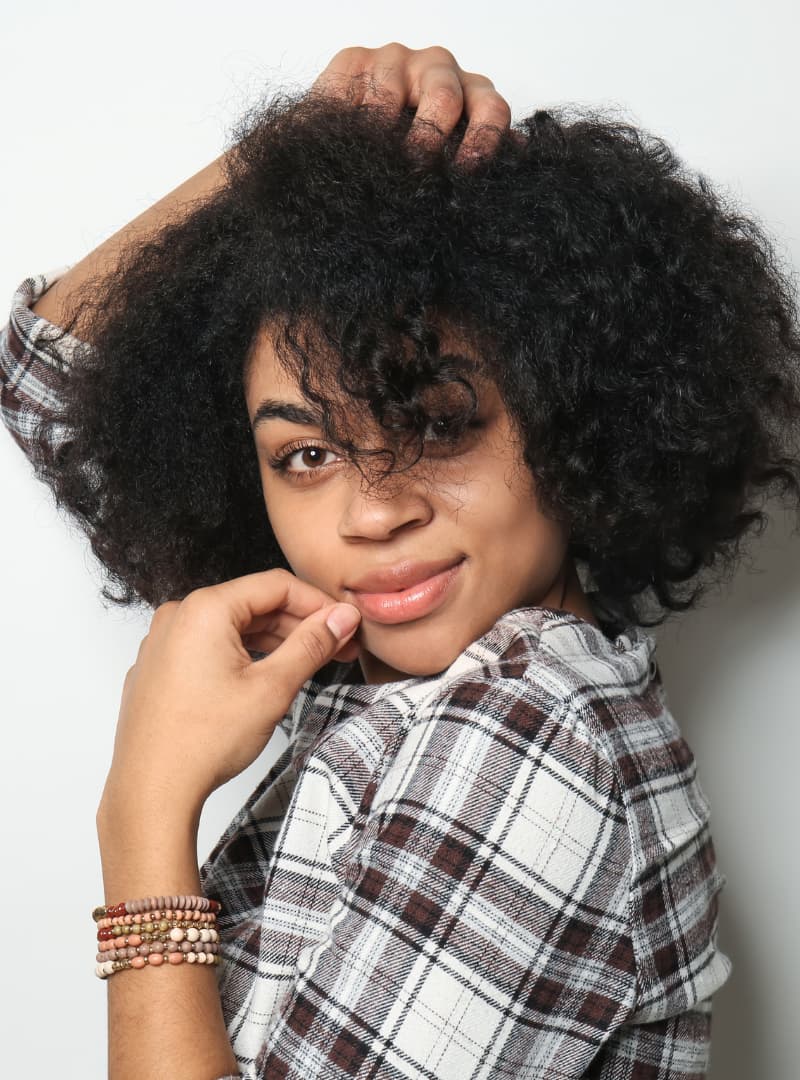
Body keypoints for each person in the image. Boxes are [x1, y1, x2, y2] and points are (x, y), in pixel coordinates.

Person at [2, 40, 798, 1079]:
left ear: (578, 418)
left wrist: (143, 820)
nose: (369, 514)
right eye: (307, 453)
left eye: (436, 424)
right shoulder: (389, 674)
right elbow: (48, 379)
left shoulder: (531, 727)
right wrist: (295, 156)